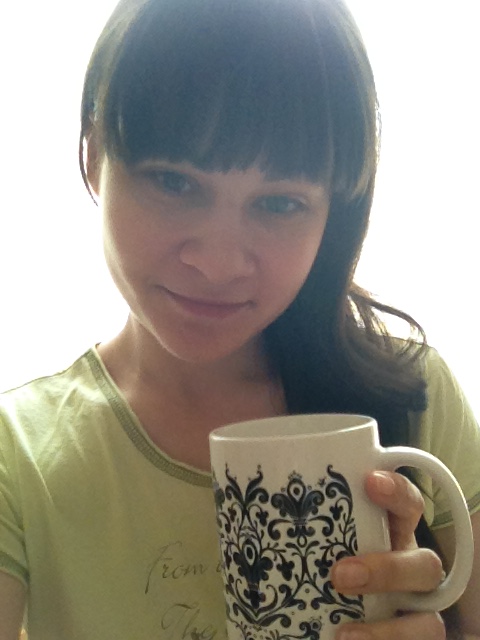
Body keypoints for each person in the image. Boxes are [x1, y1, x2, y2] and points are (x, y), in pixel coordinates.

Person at [0, 0, 479, 638]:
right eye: (174, 183)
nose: (219, 263)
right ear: (93, 156)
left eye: (279, 203)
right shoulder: (18, 454)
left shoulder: (413, 397)